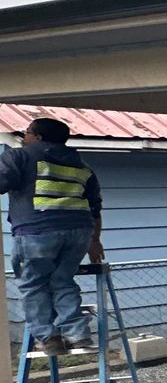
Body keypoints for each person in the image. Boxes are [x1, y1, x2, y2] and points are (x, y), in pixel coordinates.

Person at [1, 116, 105, 355]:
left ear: (37, 137)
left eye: (27, 132)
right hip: (78, 232)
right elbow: (94, 206)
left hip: (37, 230)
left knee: (33, 284)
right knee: (63, 280)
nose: (24, 137)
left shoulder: (20, 156)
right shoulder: (82, 166)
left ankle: (49, 339)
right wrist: (95, 240)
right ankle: (78, 335)